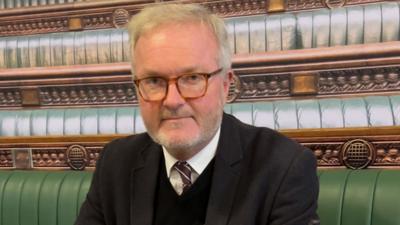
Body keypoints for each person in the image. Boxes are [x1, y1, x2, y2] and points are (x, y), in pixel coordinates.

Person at [75, 3, 319, 225]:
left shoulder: (284, 168)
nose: (172, 100)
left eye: (193, 78)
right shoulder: (115, 162)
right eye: (154, 80)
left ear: (226, 85)